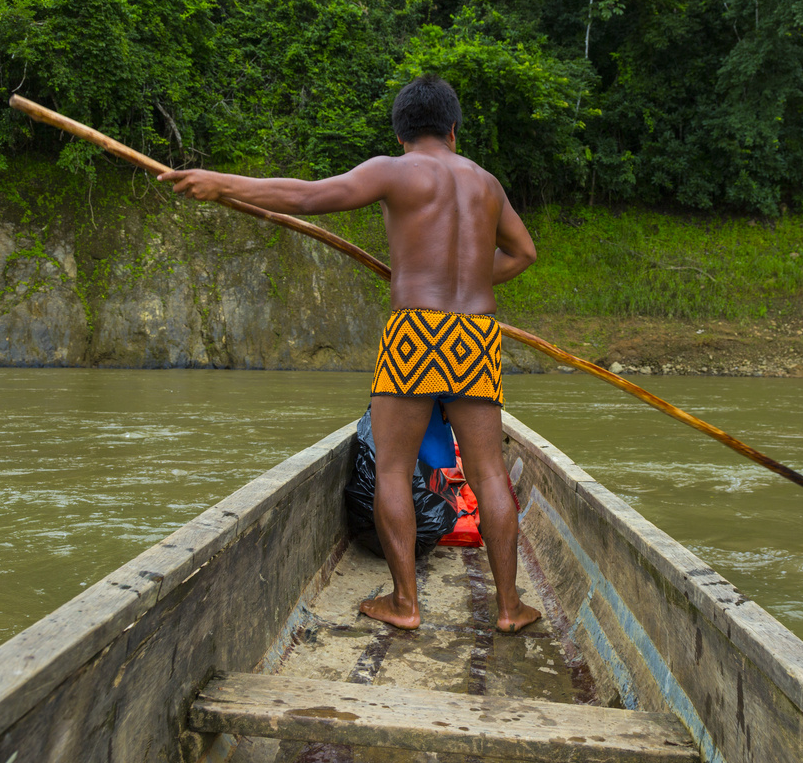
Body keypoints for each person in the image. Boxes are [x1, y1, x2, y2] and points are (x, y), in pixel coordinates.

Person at [157, 74, 541, 633]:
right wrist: (470, 280)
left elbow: (310, 196)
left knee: (391, 466)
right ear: (454, 130)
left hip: (418, 330)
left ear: (402, 131)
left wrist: (223, 183)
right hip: (476, 333)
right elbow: (523, 252)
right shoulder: (487, 183)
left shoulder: (394, 169)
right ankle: (511, 608)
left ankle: (405, 603)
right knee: (488, 473)